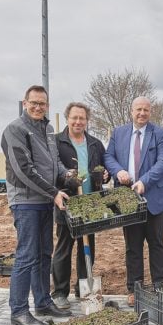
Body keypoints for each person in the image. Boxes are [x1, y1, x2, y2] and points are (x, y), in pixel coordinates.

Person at [1, 85, 73, 325]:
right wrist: (54, 192)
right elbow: (24, 170)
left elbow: (54, 165)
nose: (38, 107)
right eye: (34, 102)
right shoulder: (15, 130)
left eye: (42, 103)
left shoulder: (48, 129)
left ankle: (42, 302)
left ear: (47, 106)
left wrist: (68, 174)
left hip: (44, 201)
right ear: (25, 103)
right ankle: (19, 310)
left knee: (44, 254)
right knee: (27, 255)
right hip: (25, 201)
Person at [104, 96, 163, 307]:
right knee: (132, 246)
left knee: (157, 244)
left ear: (150, 112)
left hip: (154, 197)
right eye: (138, 110)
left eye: (146, 110)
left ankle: (160, 285)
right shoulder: (118, 133)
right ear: (131, 111)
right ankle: (135, 288)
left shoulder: (160, 134)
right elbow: (109, 157)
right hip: (128, 199)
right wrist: (118, 172)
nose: (142, 113)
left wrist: (145, 181)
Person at [51, 102, 109, 309]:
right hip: (67, 202)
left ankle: (84, 289)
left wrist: (105, 174)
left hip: (90, 203)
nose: (78, 122)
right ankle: (59, 292)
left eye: (82, 118)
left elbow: (103, 169)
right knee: (64, 248)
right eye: (74, 118)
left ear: (87, 120)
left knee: (87, 248)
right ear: (68, 118)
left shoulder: (95, 143)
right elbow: (52, 170)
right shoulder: (57, 142)